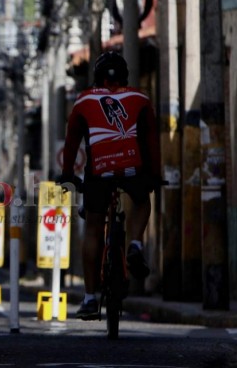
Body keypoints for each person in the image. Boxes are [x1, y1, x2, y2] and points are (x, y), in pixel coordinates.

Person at [59, 51, 161, 320]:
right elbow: (151, 141)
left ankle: (91, 298)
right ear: (125, 77)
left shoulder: (83, 101)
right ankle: (136, 243)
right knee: (142, 200)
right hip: (132, 168)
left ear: (97, 77)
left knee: (93, 227)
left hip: (99, 172)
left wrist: (67, 174)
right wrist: (154, 174)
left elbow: (71, 144)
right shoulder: (140, 99)